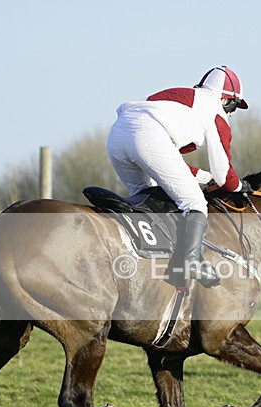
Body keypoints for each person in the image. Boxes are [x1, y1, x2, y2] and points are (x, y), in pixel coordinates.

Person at [106, 66, 252, 287]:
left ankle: (144, 255)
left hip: (118, 134)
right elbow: (224, 176)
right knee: (194, 202)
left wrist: (203, 177)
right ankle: (191, 261)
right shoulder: (216, 112)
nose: (232, 113)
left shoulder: (175, 95)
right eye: (234, 107)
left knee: (149, 194)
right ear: (226, 100)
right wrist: (240, 186)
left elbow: (167, 160)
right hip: (149, 137)